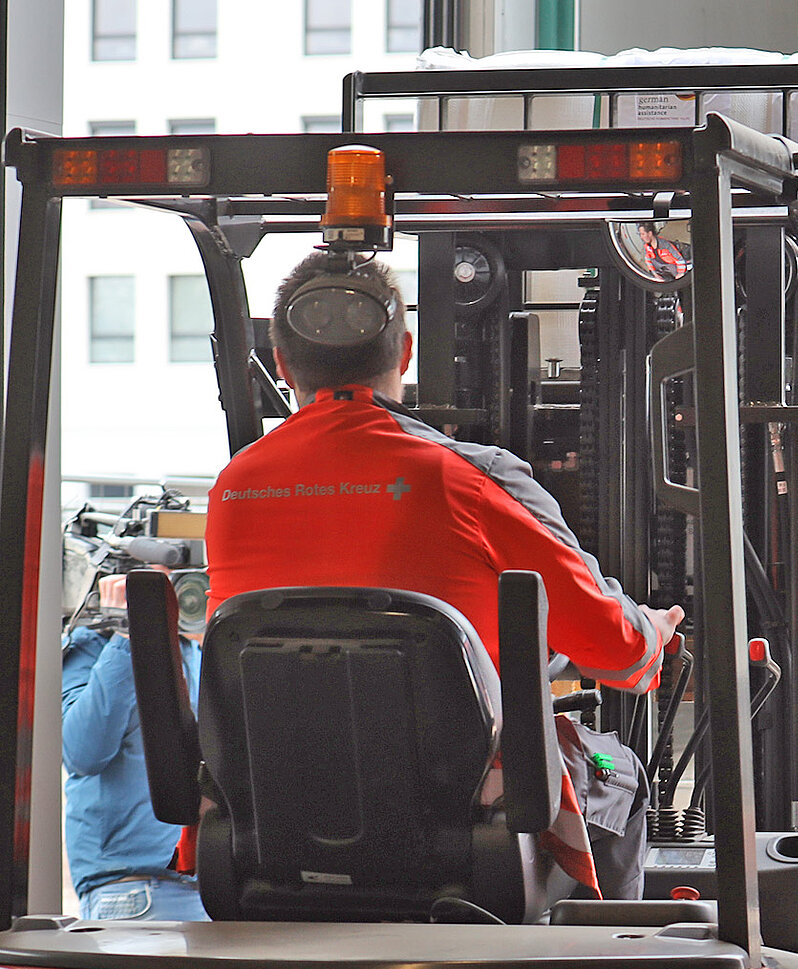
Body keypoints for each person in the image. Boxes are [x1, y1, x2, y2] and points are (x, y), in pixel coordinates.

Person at [205, 251, 682, 897]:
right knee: (619, 773)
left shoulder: (234, 487)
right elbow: (616, 652)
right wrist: (649, 631)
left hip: (279, 808)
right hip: (459, 808)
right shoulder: (468, 476)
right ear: (403, 353)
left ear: (281, 363)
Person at [62, 573, 208, 921]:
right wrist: (132, 631)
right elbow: (83, 753)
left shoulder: (197, 650)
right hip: (137, 889)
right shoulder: (90, 648)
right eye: (151, 584)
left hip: (212, 887)